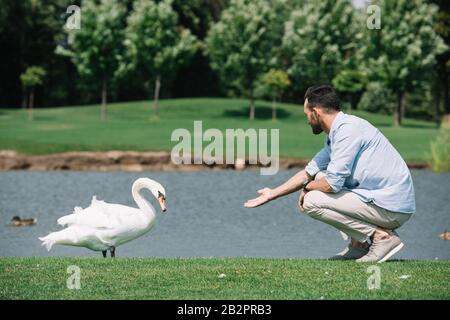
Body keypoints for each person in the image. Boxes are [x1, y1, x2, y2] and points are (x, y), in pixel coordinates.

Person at [244, 85, 415, 263]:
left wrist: (307, 188)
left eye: (307, 115)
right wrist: (272, 194)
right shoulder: (338, 132)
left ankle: (381, 237)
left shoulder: (348, 131)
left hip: (392, 207)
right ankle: (359, 245)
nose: (307, 120)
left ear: (316, 112)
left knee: (312, 201)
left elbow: (332, 185)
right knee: (318, 177)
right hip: (381, 202)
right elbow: (308, 173)